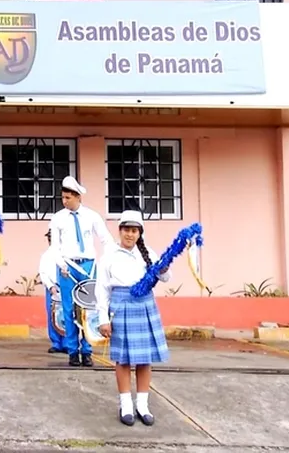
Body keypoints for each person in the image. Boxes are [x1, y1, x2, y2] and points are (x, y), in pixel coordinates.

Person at [95, 210, 171, 427]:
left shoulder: (148, 253)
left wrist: (164, 268)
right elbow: (102, 289)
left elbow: (165, 277)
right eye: (126, 230)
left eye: (134, 231)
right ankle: (126, 405)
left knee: (145, 359)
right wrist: (103, 318)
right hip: (121, 305)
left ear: (140, 233)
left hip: (145, 305)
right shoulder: (109, 255)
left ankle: (143, 405)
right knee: (123, 359)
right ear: (120, 231)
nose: (130, 234)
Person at [47, 176, 114, 367]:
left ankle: (87, 350)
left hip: (88, 267)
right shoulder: (58, 218)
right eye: (63, 197)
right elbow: (55, 246)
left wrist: (104, 262)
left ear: (78, 197)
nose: (64, 201)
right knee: (68, 309)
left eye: (68, 197)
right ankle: (72, 351)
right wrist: (61, 264)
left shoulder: (92, 216)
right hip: (67, 266)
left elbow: (106, 240)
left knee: (88, 308)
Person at [39, 230, 65, 354]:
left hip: (65, 288)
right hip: (52, 288)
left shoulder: (66, 253)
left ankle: (67, 343)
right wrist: (50, 286)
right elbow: (43, 273)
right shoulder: (46, 256)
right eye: (49, 238)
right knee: (53, 315)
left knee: (67, 316)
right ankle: (56, 343)